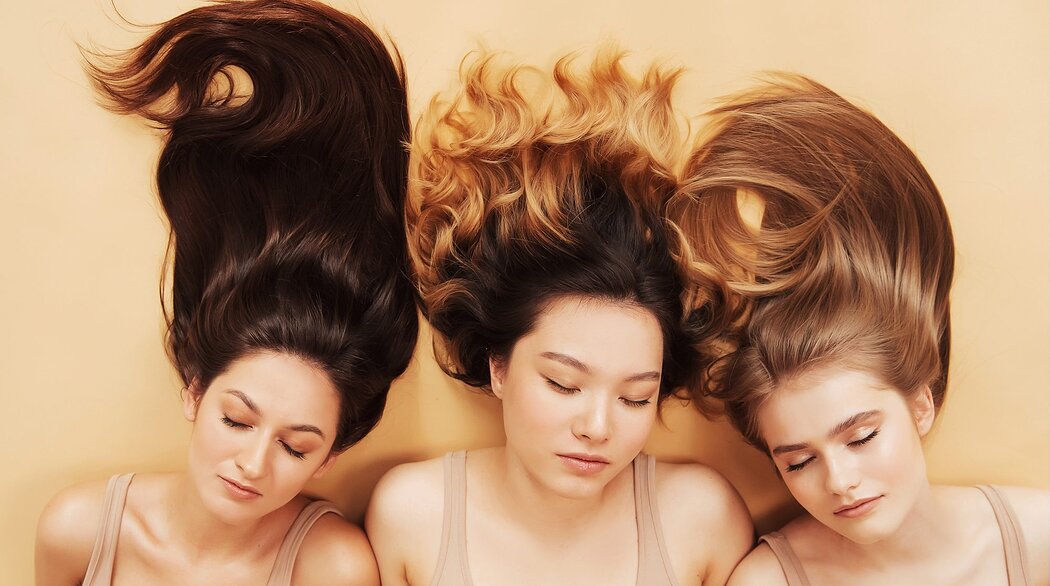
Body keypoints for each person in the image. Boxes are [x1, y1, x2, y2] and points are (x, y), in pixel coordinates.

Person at [34, 1, 418, 584]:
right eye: (237, 420)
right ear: (194, 391)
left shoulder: (331, 566)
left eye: (296, 448)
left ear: (329, 458)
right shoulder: (78, 532)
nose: (253, 464)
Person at [366, 51, 753, 586]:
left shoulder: (702, 518)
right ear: (498, 367)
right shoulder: (413, 515)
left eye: (635, 398)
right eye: (563, 384)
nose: (597, 428)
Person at [670, 75, 1050, 585]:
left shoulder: (1036, 538)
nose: (840, 482)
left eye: (862, 437)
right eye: (799, 462)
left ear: (920, 405)